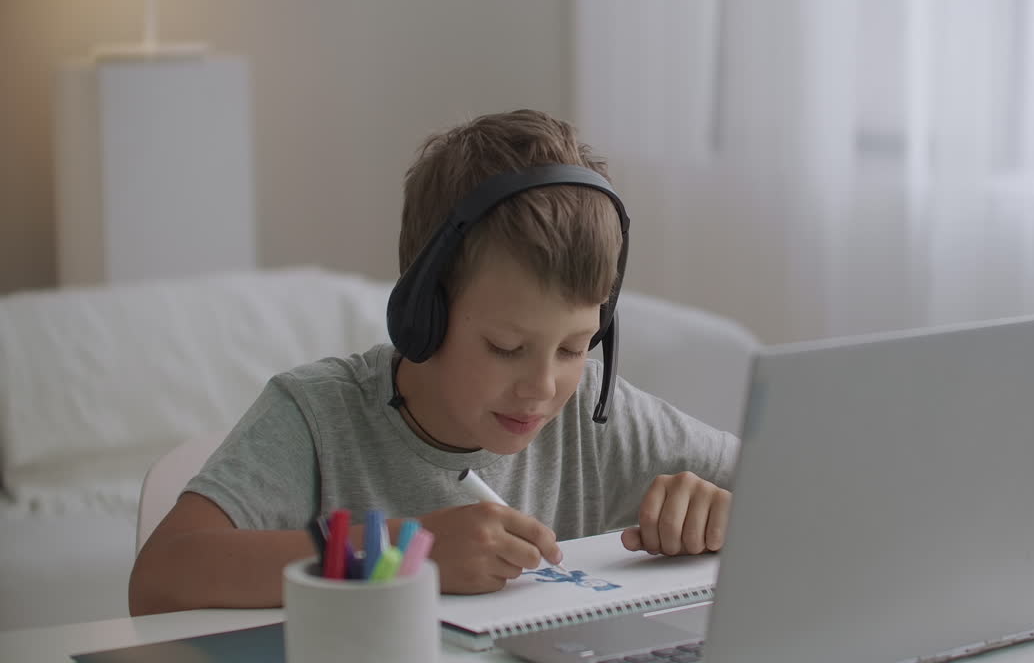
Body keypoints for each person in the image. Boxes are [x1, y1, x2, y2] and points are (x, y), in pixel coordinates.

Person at [129, 109, 739, 615]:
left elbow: (809, 490)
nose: (543, 385)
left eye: (574, 347)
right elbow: (162, 576)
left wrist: (723, 512)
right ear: (422, 315)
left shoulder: (594, 415)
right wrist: (403, 553)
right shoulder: (317, 417)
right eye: (505, 347)